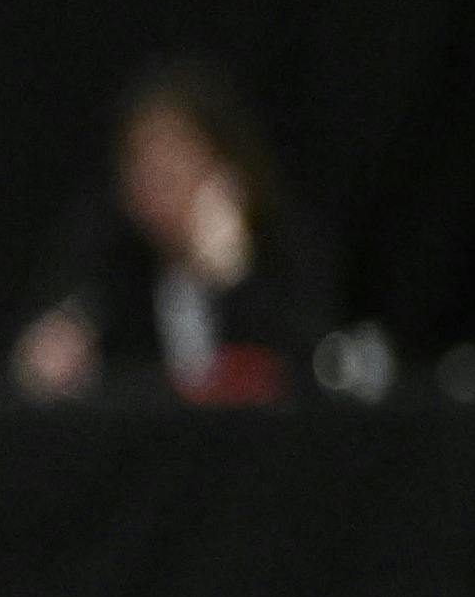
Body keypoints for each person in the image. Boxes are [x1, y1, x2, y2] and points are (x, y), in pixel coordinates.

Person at [17, 59, 326, 401]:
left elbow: (305, 370)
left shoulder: (277, 247)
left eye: (172, 167)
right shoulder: (111, 256)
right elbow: (65, 344)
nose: (153, 188)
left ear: (223, 165)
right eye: (141, 166)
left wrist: (231, 277)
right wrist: (55, 352)